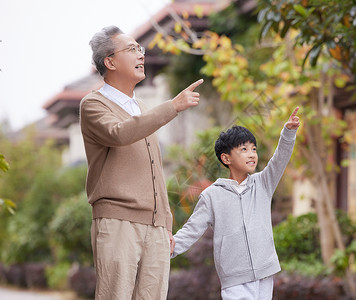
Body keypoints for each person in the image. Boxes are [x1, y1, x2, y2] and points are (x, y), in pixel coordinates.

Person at [79, 25, 203, 300]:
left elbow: (155, 170)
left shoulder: (144, 109)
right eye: (132, 49)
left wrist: (166, 222)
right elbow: (120, 133)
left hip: (156, 227)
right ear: (109, 62)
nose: (141, 55)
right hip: (117, 221)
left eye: (140, 49)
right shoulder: (93, 105)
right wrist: (173, 106)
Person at [172, 107, 300, 300]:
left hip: (265, 273)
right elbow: (191, 230)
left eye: (254, 149)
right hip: (234, 279)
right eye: (244, 149)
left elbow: (279, 160)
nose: (252, 154)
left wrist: (288, 132)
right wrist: (170, 247)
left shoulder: (263, 183)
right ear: (226, 158)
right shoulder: (212, 196)